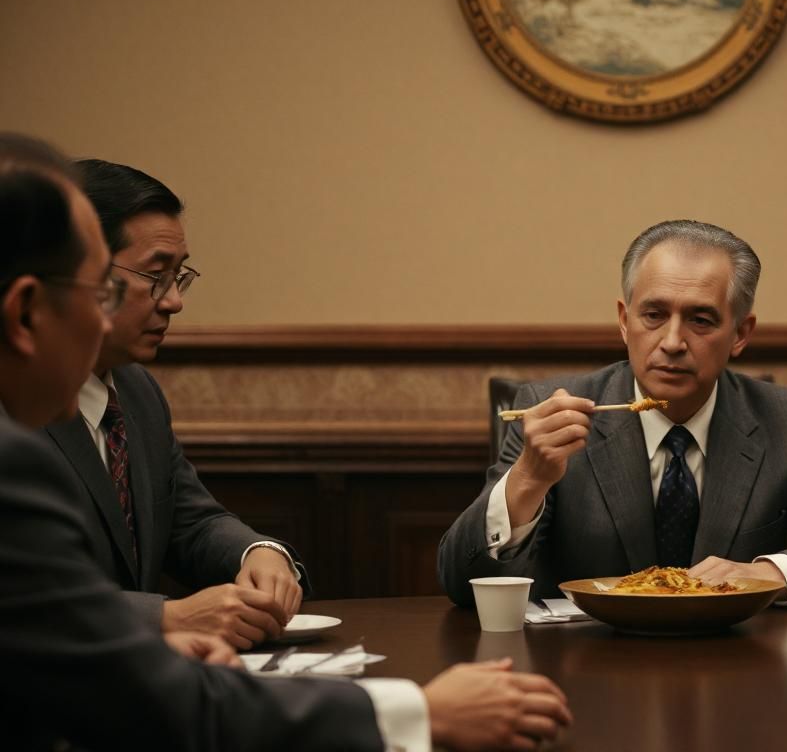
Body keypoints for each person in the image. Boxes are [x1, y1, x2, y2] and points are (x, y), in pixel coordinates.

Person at [0, 133, 570, 751]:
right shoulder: (12, 460)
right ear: (26, 311)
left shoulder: (133, 393)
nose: (175, 303)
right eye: (101, 292)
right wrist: (420, 712)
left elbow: (173, 534)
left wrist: (251, 558)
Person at [438, 219, 787, 605]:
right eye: (653, 315)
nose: (673, 342)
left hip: (739, 676)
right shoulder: (548, 411)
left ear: (741, 333)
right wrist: (527, 478)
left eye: (701, 320)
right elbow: (460, 582)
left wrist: (765, 572)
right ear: (624, 321)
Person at [41, 159, 303, 648]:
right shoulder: (17, 404)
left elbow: (192, 521)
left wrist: (259, 552)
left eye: (178, 278)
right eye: (155, 276)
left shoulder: (137, 392)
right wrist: (163, 617)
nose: (173, 302)